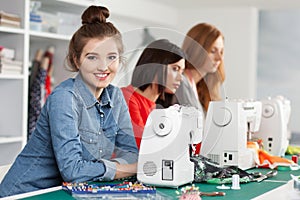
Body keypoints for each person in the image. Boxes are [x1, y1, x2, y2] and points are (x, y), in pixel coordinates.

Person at [0, 5, 138, 197]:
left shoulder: (115, 96)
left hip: (72, 192)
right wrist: (129, 168)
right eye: (92, 57)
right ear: (77, 59)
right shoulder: (64, 98)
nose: (104, 66)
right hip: (26, 194)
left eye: (111, 57)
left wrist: (122, 166)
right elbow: (73, 171)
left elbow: (131, 153)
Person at [157, 23, 225, 154]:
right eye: (213, 51)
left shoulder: (199, 87)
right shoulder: (180, 83)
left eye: (221, 52)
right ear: (197, 50)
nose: (219, 58)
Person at [121, 39, 185, 149]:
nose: (181, 78)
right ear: (156, 66)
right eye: (175, 69)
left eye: (182, 72)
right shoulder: (127, 98)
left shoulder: (155, 107)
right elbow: (142, 144)